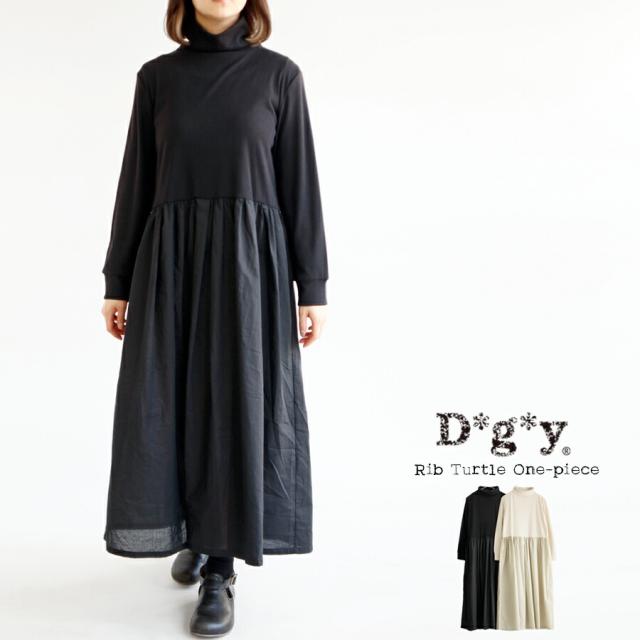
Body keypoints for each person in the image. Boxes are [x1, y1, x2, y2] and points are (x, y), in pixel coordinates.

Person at [100, 1, 328, 636]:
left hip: (249, 266)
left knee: (234, 403)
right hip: (170, 261)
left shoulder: (279, 76)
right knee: (169, 401)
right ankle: (194, 531)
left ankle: (220, 569)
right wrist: (118, 279)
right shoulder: (158, 78)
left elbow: (300, 184)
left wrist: (312, 285)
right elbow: (137, 180)